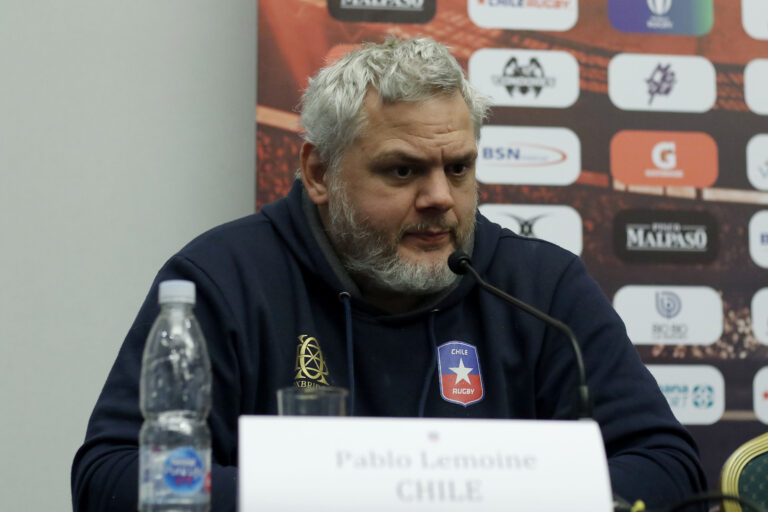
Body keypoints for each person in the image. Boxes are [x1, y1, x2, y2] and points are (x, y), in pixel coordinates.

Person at [72, 37, 706, 511]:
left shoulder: (539, 288)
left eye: (458, 169)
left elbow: (667, 467)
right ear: (319, 174)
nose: (441, 198)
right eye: (402, 171)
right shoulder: (222, 280)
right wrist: (355, 496)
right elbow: (112, 476)